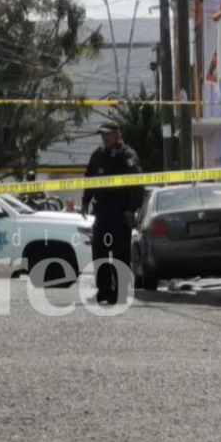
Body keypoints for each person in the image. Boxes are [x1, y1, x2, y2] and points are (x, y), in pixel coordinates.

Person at [81, 121, 144, 305]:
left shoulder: (128, 156)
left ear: (117, 134)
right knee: (99, 252)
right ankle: (104, 291)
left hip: (120, 213)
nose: (105, 137)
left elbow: (138, 185)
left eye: (108, 134)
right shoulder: (98, 156)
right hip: (102, 212)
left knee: (120, 254)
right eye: (103, 135)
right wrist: (85, 201)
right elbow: (89, 180)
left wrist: (132, 209)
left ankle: (121, 292)